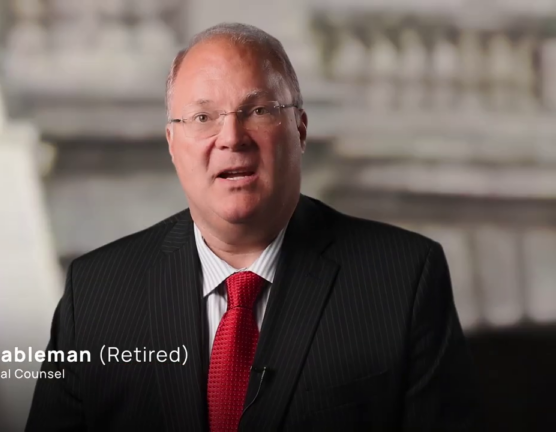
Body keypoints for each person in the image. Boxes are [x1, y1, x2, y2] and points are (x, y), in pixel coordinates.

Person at [26, 22, 477, 431]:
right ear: (172, 144)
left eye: (258, 111)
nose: (231, 138)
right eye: (203, 118)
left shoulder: (403, 279)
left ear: (299, 130)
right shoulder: (96, 295)